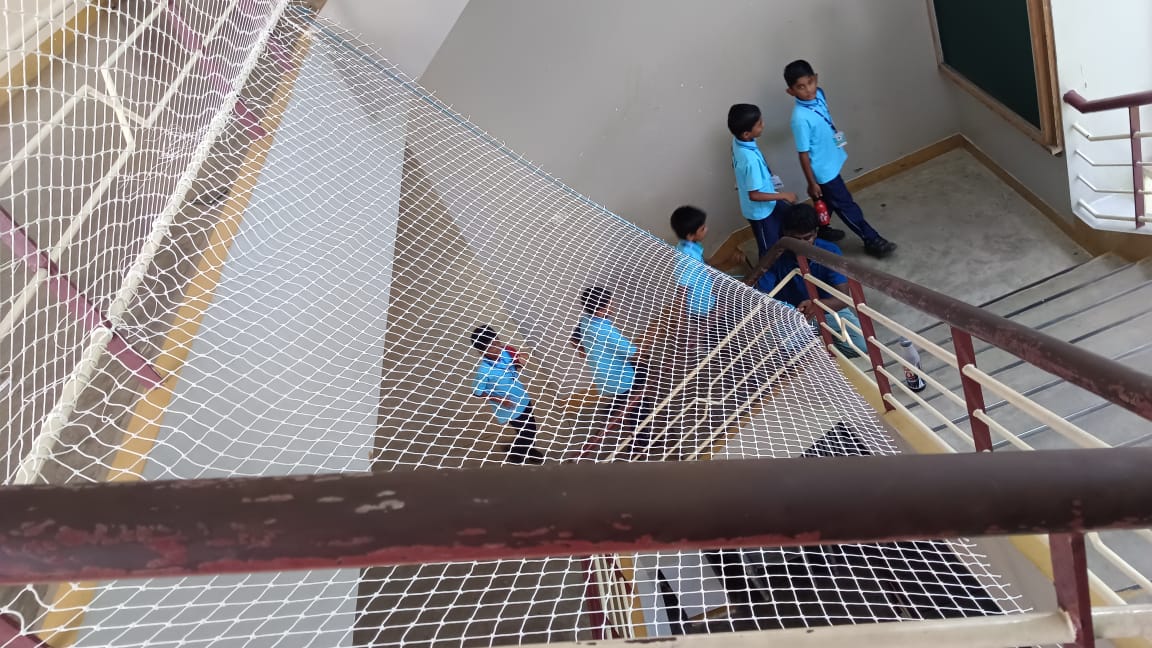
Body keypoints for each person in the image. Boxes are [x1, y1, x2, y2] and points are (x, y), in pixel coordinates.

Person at [785, 59, 897, 258]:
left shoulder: (820, 95)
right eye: (801, 87)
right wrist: (812, 183)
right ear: (791, 91)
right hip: (823, 171)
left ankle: (819, 230)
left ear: (816, 79)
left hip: (832, 159)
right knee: (846, 205)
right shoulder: (800, 119)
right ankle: (872, 239)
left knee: (827, 203)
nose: (808, 89)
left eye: (810, 82)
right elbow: (802, 153)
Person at [729, 103, 843, 257]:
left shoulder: (738, 142)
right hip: (760, 212)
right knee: (769, 250)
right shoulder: (750, 160)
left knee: (794, 219)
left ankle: (810, 242)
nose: (763, 125)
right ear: (746, 134)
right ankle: (769, 276)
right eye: (759, 124)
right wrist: (784, 195)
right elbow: (754, 195)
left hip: (769, 199)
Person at [755, 204, 866, 358]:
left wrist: (817, 305)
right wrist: (788, 313)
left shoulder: (829, 252)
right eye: (795, 239)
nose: (802, 244)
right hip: (791, 316)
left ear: (816, 232)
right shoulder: (775, 255)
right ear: (784, 235)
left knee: (861, 346)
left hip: (827, 308)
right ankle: (813, 355)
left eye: (808, 238)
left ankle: (818, 352)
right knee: (778, 353)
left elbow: (843, 298)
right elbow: (760, 295)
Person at [571, 287, 653, 455]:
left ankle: (613, 410)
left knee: (640, 376)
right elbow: (636, 354)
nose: (613, 305)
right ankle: (639, 444)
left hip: (605, 378)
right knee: (640, 408)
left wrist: (587, 352)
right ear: (602, 308)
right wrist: (653, 333)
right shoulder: (605, 331)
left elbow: (573, 339)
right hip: (621, 378)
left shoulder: (586, 319)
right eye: (610, 303)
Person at [470, 325, 544, 464]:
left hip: (522, 397)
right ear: (481, 352)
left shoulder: (505, 352)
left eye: (497, 341)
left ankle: (528, 449)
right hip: (509, 407)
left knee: (531, 427)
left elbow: (516, 362)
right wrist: (498, 399)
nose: (497, 347)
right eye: (491, 347)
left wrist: (520, 360)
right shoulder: (484, 371)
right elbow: (477, 392)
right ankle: (516, 453)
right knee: (526, 431)